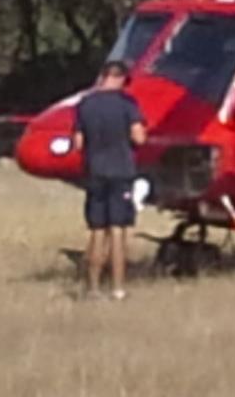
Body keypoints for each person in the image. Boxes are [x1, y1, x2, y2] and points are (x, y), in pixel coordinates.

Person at [73, 60, 147, 300]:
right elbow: (139, 138)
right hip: (121, 172)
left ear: (102, 76)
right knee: (117, 231)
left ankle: (93, 288)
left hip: (94, 171)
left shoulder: (85, 104)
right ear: (123, 79)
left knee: (96, 230)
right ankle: (117, 288)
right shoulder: (127, 104)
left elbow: (78, 143)